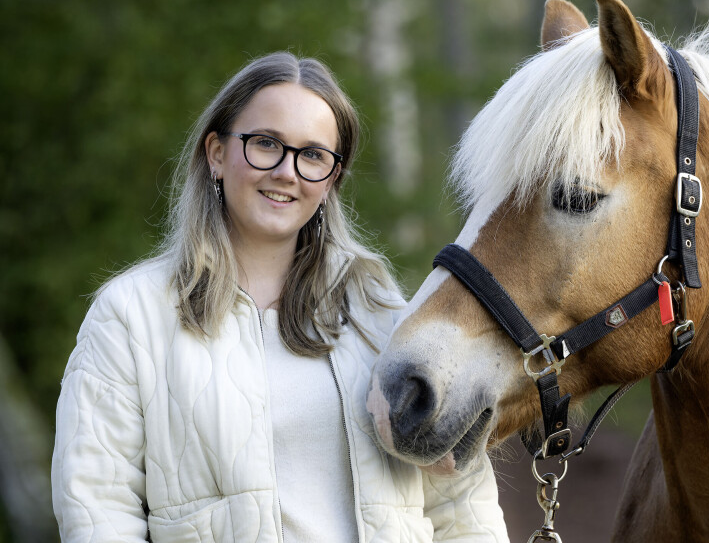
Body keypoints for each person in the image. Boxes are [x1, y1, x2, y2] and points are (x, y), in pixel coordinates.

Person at [51, 52, 510, 543]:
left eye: (313, 155)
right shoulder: (131, 316)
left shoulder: (379, 313)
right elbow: (98, 511)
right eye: (266, 144)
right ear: (216, 154)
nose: (288, 172)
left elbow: (462, 508)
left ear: (332, 180)